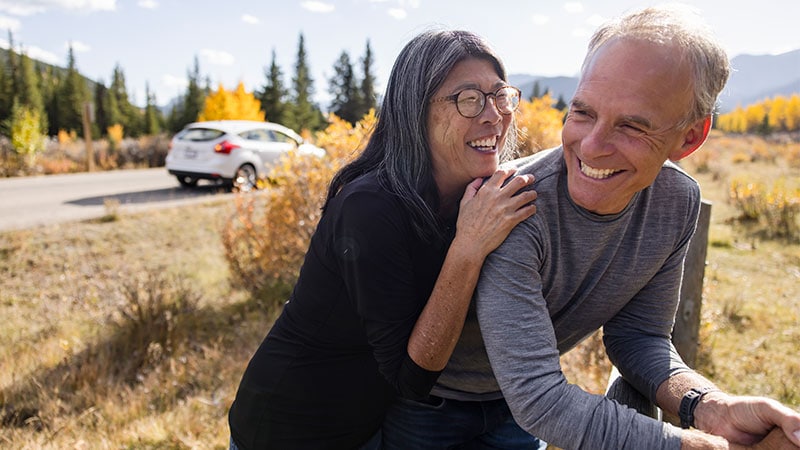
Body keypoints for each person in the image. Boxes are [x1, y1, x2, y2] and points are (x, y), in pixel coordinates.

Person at [382, 5, 800, 450]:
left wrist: (708, 406)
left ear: (690, 137)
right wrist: (697, 446)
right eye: (582, 113)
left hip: (513, 407)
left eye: (632, 126)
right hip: (432, 403)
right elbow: (540, 398)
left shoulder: (678, 203)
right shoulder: (513, 205)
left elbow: (638, 337)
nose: (593, 147)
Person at [226, 29, 538, 449]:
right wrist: (469, 247)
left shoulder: (469, 197)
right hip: (290, 428)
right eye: (468, 99)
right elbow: (413, 377)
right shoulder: (370, 207)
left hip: (369, 425)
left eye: (500, 96)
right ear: (415, 112)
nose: (493, 115)